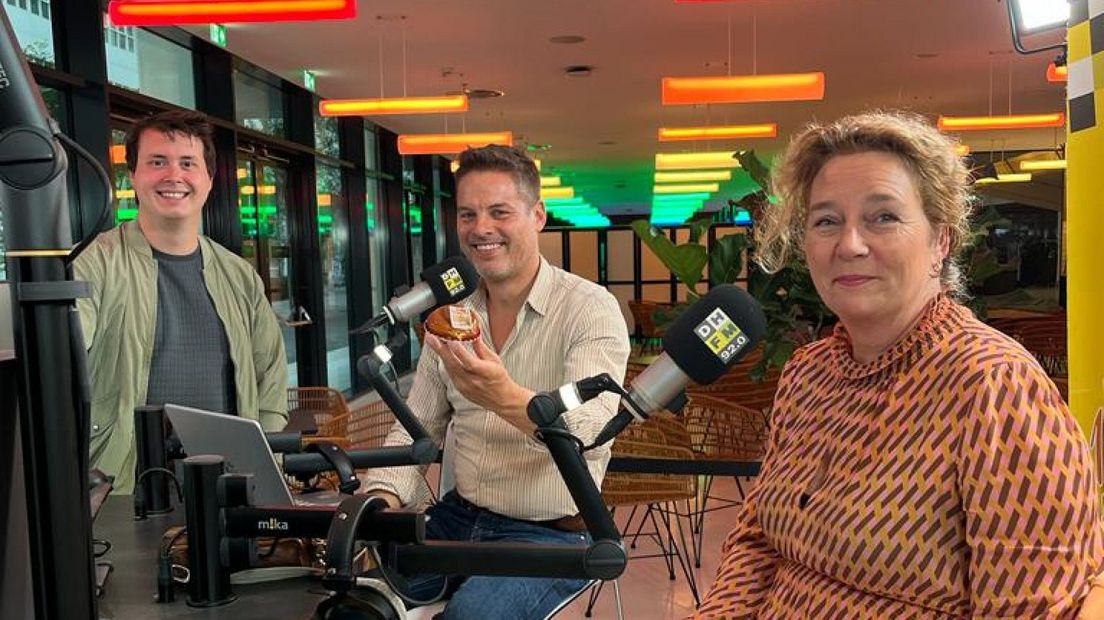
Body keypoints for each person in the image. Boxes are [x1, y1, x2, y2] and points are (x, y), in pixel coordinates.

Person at [694, 111, 1103, 618]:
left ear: (941, 241)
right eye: (826, 221)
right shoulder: (808, 373)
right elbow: (756, 540)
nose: (849, 244)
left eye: (882, 217)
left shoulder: (996, 388)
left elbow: (1032, 611)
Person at [358, 144, 630, 618]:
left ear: (538, 215)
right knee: (356, 599)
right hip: (459, 516)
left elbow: (589, 430)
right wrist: (381, 498)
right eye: (468, 214)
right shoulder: (452, 316)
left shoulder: (590, 308)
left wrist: (503, 397)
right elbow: (414, 424)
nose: (480, 228)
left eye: (499, 212)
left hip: (550, 532)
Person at [74, 110, 287, 494]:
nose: (173, 176)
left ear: (209, 179)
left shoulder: (238, 275)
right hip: (122, 490)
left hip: (228, 491)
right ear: (134, 175)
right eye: (157, 162)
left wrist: (269, 468)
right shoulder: (94, 265)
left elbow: (269, 377)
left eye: (187, 163)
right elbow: (63, 364)